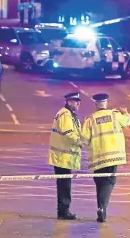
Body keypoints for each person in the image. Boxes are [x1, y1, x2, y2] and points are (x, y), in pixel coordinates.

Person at [81, 93, 130, 223]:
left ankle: (101, 209)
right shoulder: (115, 115)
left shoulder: (90, 120)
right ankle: (102, 208)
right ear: (106, 103)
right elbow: (127, 121)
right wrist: (125, 113)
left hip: (98, 159)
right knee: (109, 182)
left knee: (99, 184)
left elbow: (84, 140)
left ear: (95, 104)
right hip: (113, 156)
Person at [48, 92, 83, 220]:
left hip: (63, 156)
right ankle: (63, 211)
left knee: (64, 184)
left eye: (79, 101)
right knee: (64, 185)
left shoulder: (69, 115)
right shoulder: (65, 115)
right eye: (75, 101)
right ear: (68, 102)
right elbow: (69, 133)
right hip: (62, 156)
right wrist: (81, 142)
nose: (78, 103)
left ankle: (63, 210)